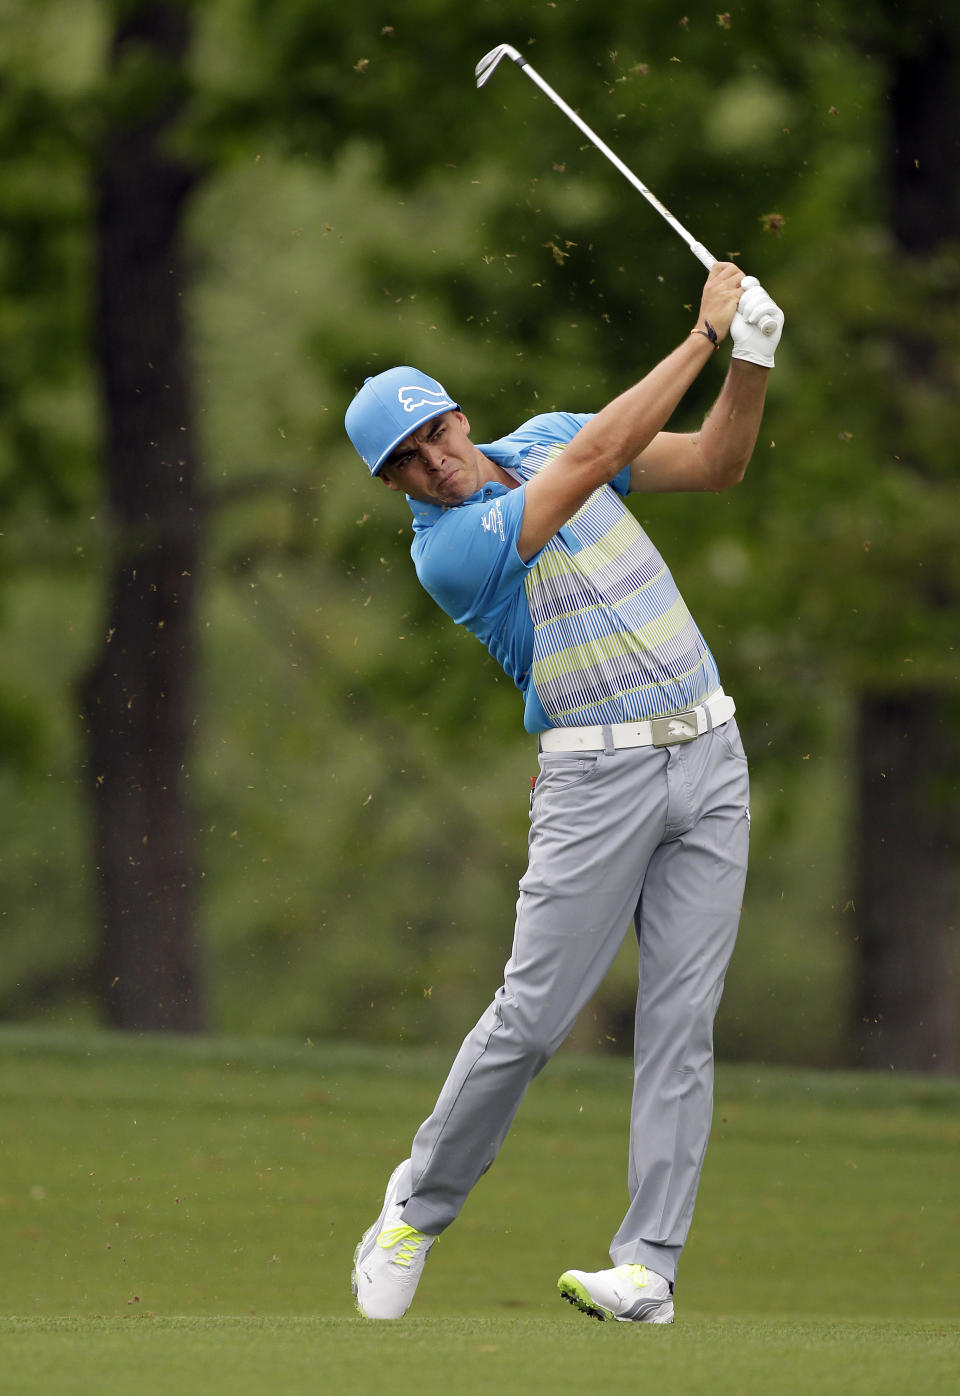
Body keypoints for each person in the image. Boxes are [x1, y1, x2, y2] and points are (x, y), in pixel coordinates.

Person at [343, 261, 783, 1324]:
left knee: (683, 1023)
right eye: (406, 463)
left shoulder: (537, 437)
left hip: (711, 755)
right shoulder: (450, 552)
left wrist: (753, 358)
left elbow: (718, 464)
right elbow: (600, 456)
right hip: (596, 778)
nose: (435, 464)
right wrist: (700, 340)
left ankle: (649, 1267)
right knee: (532, 1020)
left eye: (436, 434)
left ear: (459, 412)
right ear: (393, 486)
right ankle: (416, 1206)